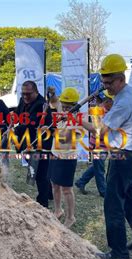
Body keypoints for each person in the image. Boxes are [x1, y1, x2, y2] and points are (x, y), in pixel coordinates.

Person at [82, 54, 132, 259]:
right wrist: (106, 102)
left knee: (113, 203)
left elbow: (99, 130)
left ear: (121, 79)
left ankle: (118, 252)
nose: (106, 86)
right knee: (130, 198)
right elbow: (114, 108)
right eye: (103, 82)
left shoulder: (124, 102)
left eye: (109, 82)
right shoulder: (131, 93)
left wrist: (77, 120)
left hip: (124, 155)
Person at [14, 80, 53, 208]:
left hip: (41, 144)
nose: (25, 96)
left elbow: (29, 125)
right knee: (40, 171)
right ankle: (49, 193)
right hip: (28, 142)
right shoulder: (22, 100)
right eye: (23, 93)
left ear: (36, 92)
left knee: (40, 174)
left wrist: (14, 130)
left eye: (28, 94)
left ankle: (43, 202)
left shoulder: (41, 105)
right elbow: (18, 114)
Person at [48, 87, 82, 228]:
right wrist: (53, 94)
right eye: (64, 105)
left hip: (68, 157)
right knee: (54, 184)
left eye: (69, 107)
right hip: (54, 153)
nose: (65, 108)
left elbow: (64, 140)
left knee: (66, 189)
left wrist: (67, 124)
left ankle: (70, 217)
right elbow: (54, 102)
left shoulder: (79, 121)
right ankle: (58, 210)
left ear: (75, 106)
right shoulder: (62, 107)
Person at [74, 91, 114, 197]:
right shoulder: (98, 112)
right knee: (100, 169)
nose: (114, 103)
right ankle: (103, 191)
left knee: (97, 166)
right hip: (98, 145)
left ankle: (81, 182)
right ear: (107, 101)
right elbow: (98, 130)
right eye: (113, 101)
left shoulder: (109, 111)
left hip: (104, 144)